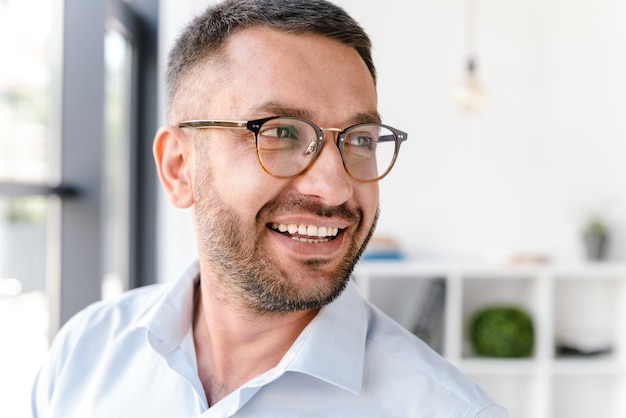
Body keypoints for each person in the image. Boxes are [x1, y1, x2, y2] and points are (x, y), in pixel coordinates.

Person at [31, 0, 508, 416]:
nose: (335, 188)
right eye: (281, 133)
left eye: (359, 140)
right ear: (179, 168)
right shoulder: (83, 355)